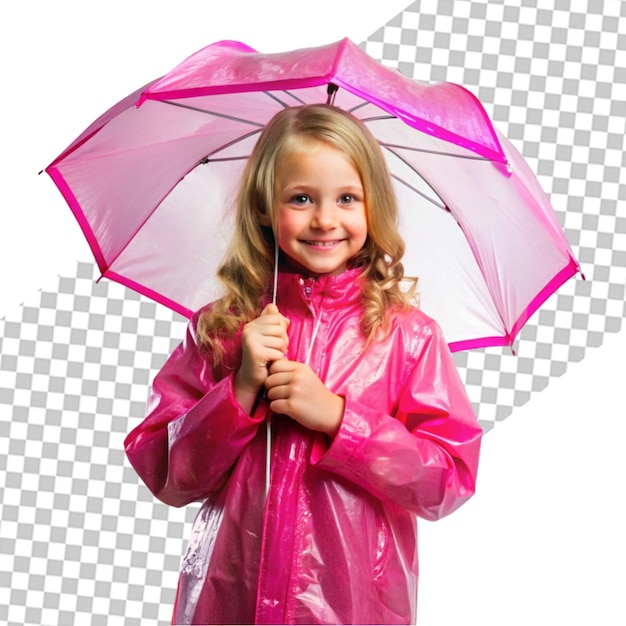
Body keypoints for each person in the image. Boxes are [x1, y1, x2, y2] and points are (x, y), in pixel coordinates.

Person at [124, 104, 482, 625]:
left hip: (351, 606)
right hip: (231, 601)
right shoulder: (223, 329)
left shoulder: (407, 337)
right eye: (300, 198)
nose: (324, 219)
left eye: (346, 198)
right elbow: (168, 473)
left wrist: (341, 420)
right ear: (265, 207)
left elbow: (447, 480)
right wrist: (239, 389)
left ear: (372, 207)